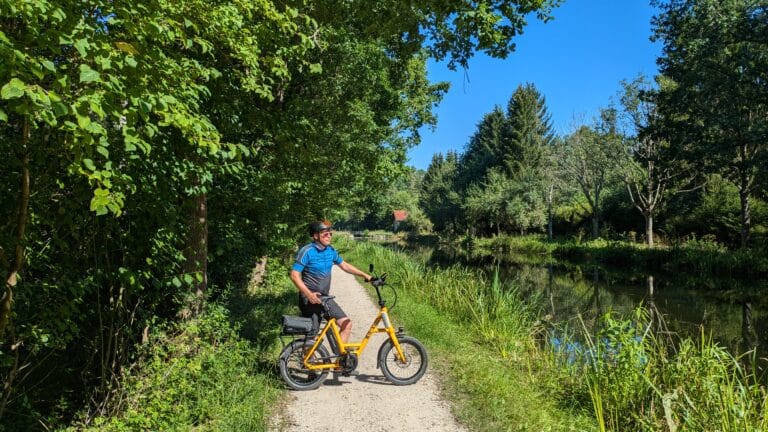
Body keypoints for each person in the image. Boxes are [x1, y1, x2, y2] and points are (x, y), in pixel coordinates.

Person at [290, 220, 371, 344]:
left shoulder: (330, 250)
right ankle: (306, 362)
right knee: (312, 335)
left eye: (330, 234)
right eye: (325, 234)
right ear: (315, 236)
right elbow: (294, 275)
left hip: (324, 298)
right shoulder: (307, 251)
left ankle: (340, 360)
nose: (329, 236)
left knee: (346, 324)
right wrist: (308, 294)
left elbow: (344, 265)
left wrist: (366, 275)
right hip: (310, 299)